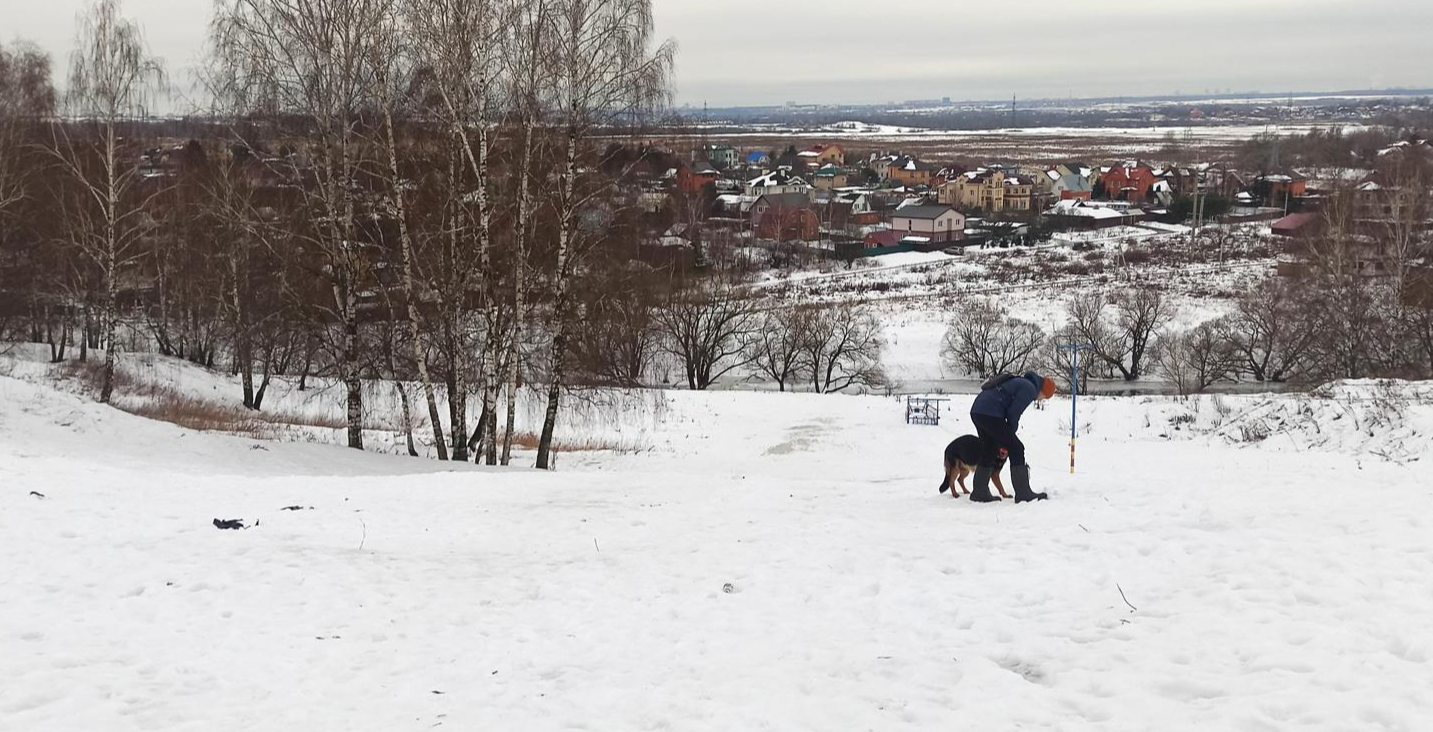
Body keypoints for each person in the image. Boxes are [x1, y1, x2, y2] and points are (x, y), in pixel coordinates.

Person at [967, 371, 1057, 503]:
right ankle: (1023, 493)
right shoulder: (1030, 389)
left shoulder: (1021, 382)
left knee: (990, 448)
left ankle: (979, 492)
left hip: (978, 410)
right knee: (1017, 448)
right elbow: (1013, 413)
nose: (1041, 400)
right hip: (990, 413)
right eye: (1044, 397)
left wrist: (1006, 437)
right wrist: (1010, 436)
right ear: (1043, 391)